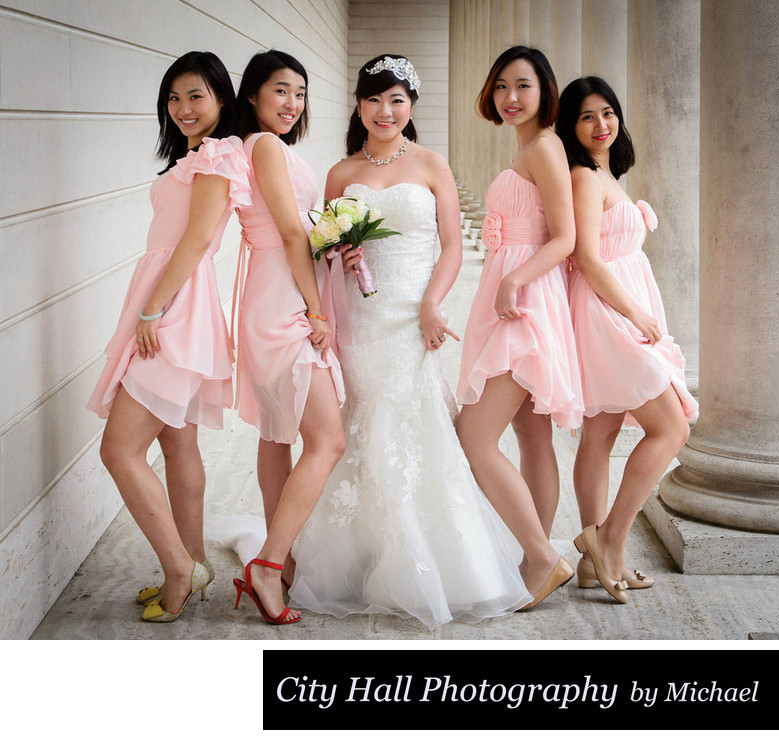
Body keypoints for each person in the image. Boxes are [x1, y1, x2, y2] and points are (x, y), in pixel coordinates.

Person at [289, 54, 531, 629]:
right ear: (359, 105)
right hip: (362, 320)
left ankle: (434, 561)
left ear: (411, 106)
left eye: (396, 99)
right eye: (374, 99)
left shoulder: (431, 164)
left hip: (413, 315)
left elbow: (451, 245)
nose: (384, 111)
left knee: (416, 425)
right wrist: (339, 254)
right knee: (364, 422)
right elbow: (322, 248)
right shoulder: (342, 173)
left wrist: (431, 305)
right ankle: (364, 556)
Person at [86, 51, 251, 622]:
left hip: (175, 307)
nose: (183, 108)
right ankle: (193, 564)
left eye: (196, 96)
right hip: (168, 301)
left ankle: (179, 569)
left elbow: (200, 238)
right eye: (174, 98)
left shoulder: (218, 154)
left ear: (222, 100)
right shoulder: (194, 155)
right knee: (176, 442)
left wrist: (153, 310)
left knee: (119, 449)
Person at [556, 76, 698, 603]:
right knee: (671, 426)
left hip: (612, 309)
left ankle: (594, 564)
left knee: (600, 436)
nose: (601, 125)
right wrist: (635, 313)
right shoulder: (583, 177)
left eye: (608, 112)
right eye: (587, 116)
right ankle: (611, 540)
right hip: (605, 314)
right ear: (571, 125)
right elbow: (588, 258)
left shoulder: (606, 173)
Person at [455, 46, 583, 608]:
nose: (511, 97)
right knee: (532, 436)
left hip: (526, 301)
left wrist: (514, 282)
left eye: (523, 86)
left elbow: (565, 236)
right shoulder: (528, 148)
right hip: (513, 292)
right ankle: (536, 558)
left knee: (473, 436)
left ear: (544, 90)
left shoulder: (547, 148)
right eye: (502, 85)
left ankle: (540, 554)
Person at [230, 50, 346, 625]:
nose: (291, 103)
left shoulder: (267, 149)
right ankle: (269, 565)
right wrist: (317, 310)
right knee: (328, 440)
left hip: (268, 294)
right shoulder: (267, 147)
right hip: (283, 301)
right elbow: (290, 234)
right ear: (252, 95)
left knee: (278, 436)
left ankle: (285, 560)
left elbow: (304, 233)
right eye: (280, 90)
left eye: (300, 93)